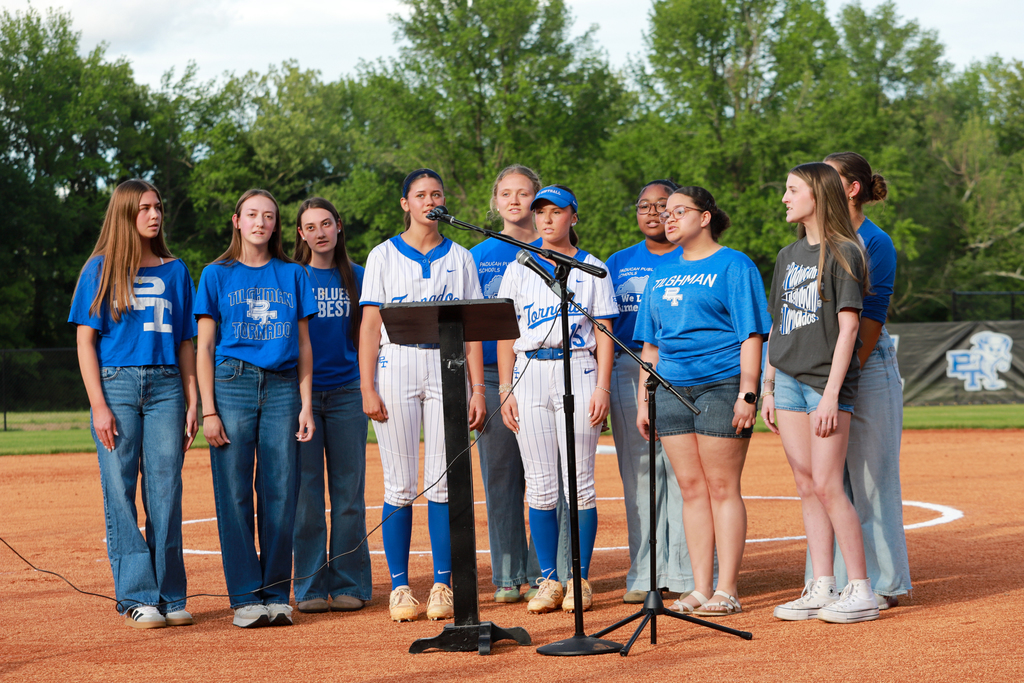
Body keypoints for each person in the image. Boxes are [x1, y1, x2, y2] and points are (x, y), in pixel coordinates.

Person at [634, 186, 771, 616]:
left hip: (722, 385)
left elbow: (752, 334)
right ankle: (699, 586)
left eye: (679, 211)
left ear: (705, 216)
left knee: (721, 487)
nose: (667, 218)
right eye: (664, 212)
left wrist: (749, 393)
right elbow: (650, 346)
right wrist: (644, 399)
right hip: (671, 388)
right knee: (690, 490)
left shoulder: (734, 265)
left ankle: (727, 589)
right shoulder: (661, 272)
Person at [359, 168, 486, 622]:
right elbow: (371, 325)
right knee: (399, 483)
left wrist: (477, 388)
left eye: (436, 194)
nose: (429, 200)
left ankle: (442, 585)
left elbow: (472, 329)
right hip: (397, 362)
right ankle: (398, 588)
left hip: (446, 366)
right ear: (405, 204)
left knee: (443, 482)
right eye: (420, 194)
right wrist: (367, 384)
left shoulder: (462, 256)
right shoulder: (382, 256)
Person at [70, 179, 198, 629]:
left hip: (166, 388)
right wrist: (98, 405)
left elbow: (186, 342)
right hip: (117, 387)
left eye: (158, 207)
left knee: (165, 491)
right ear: (125, 214)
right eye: (144, 208)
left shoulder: (176, 270)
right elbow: (85, 342)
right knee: (120, 492)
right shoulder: (100, 270)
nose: (155, 214)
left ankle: (170, 595)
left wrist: (192, 398)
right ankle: (137, 597)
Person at [194, 188, 318, 629]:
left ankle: (276, 594)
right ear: (237, 221)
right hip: (232, 384)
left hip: (284, 386)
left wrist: (306, 403)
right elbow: (204, 347)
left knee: (281, 493)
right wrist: (209, 410)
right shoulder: (215, 274)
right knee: (234, 494)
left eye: (268, 216)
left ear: (275, 224)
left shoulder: (293, 274)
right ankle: (246, 596)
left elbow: (304, 345)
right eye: (252, 215)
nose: (260, 222)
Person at [761, 162, 879, 624]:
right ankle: (822, 584)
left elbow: (850, 328)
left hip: (824, 383)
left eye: (792, 190)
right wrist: (769, 384)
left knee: (830, 485)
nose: (785, 198)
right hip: (788, 379)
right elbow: (776, 325)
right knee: (806, 485)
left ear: (817, 194)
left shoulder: (845, 251)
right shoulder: (787, 256)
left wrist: (831, 395)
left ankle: (862, 589)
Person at [497, 185, 618, 614]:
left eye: (556, 211)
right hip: (529, 370)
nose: (547, 219)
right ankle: (549, 580)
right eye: (541, 212)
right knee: (542, 486)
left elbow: (604, 332)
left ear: (574, 217)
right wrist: (504, 386)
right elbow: (506, 330)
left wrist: (603, 386)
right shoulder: (520, 264)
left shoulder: (593, 268)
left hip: (578, 368)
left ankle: (579, 580)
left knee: (579, 483)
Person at [801, 152, 911, 608]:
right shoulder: (811, 237)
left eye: (830, 176)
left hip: (863, 364)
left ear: (850, 188)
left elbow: (868, 323)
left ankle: (883, 583)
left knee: (870, 476)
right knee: (825, 479)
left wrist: (841, 382)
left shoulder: (874, 241)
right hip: (821, 369)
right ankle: (828, 581)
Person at [471, 165, 571, 604]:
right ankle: (509, 573)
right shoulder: (475, 255)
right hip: (493, 377)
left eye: (523, 193)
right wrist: (476, 386)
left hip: (547, 369)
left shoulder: (555, 247)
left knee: (554, 477)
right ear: (494, 202)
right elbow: (471, 327)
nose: (514, 201)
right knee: (502, 477)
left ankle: (553, 571)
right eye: (506, 194)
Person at [605, 179, 692, 604]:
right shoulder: (617, 262)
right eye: (644, 205)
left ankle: (684, 569)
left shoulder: (693, 256)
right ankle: (646, 571)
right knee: (638, 474)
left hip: (681, 366)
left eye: (663, 205)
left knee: (682, 472)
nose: (654, 212)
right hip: (627, 367)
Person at [291, 197, 372, 614]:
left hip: (346, 394)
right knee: (305, 495)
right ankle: (307, 588)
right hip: (301, 398)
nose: (320, 232)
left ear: (339, 227)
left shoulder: (359, 277)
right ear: (301, 234)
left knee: (347, 494)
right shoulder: (291, 276)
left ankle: (350, 583)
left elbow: (371, 339)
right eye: (311, 226)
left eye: (326, 223)